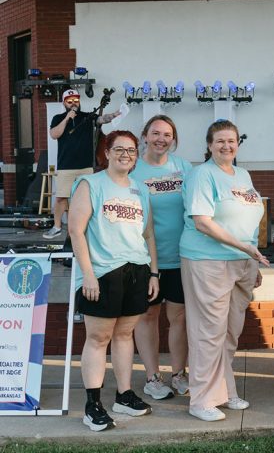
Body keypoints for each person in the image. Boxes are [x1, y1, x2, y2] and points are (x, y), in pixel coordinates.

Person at [68, 130, 159, 431]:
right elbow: (76, 231)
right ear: (106, 153)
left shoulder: (140, 189)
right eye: (119, 149)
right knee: (98, 338)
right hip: (102, 272)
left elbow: (148, 234)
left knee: (124, 335)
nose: (125, 155)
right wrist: (88, 274)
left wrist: (154, 272)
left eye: (131, 150)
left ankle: (124, 394)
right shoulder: (90, 184)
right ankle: (92, 405)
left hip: (137, 270)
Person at [179, 119, 269, 421]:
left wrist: (252, 258)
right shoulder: (201, 175)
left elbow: (250, 220)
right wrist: (245, 248)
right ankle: (201, 400)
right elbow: (203, 222)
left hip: (242, 262)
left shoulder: (242, 175)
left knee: (230, 331)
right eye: (220, 141)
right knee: (208, 332)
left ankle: (225, 390)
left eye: (231, 141)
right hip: (208, 260)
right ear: (209, 145)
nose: (226, 146)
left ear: (238, 144)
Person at [131, 115, 193, 400]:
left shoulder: (184, 168)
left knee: (179, 317)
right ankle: (153, 377)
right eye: (155, 133)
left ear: (173, 139)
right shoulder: (133, 169)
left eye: (167, 135)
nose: (161, 139)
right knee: (147, 316)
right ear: (145, 136)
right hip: (146, 259)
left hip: (180, 256)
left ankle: (179, 374)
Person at [44, 89, 120, 239]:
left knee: (86, 199)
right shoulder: (58, 118)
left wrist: (115, 114)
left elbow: (102, 119)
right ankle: (57, 226)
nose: (74, 103)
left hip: (85, 166)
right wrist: (67, 118)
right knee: (61, 198)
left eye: (76, 100)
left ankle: (86, 228)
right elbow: (54, 134)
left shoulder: (87, 117)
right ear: (64, 103)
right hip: (65, 165)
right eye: (70, 101)